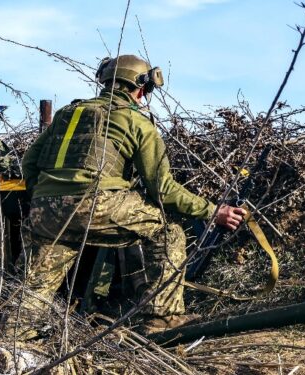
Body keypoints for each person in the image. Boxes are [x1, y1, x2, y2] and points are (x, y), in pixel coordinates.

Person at [13, 54, 244, 337]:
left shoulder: (67, 113)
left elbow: (29, 163)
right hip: (98, 205)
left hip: (44, 211)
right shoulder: (138, 123)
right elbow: (163, 190)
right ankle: (163, 317)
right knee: (168, 233)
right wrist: (213, 211)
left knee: (36, 283)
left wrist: (47, 197)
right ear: (140, 88)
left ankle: (13, 336)